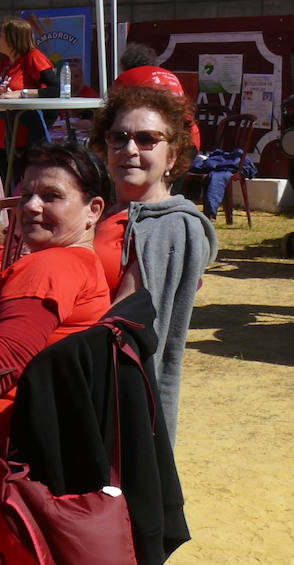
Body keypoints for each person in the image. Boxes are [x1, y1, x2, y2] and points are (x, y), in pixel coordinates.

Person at [89, 86, 216, 443]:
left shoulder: (170, 227)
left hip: (108, 386)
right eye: (119, 137)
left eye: (147, 139)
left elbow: (126, 324)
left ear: (172, 156)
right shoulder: (103, 211)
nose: (130, 150)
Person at [0, 143, 112, 441]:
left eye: (51, 197)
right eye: (27, 195)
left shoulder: (50, 267)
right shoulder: (81, 263)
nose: (30, 207)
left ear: (93, 210)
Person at [0, 17, 59, 177]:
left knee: (19, 183)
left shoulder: (33, 57)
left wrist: (21, 94)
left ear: (13, 38)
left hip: (23, 137)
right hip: (2, 136)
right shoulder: (6, 63)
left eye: (1, 35)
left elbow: (56, 89)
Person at [113, 42, 200, 150]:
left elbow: (113, 111)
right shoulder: (170, 75)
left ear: (125, 64)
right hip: (190, 138)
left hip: (156, 141)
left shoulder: (127, 77)